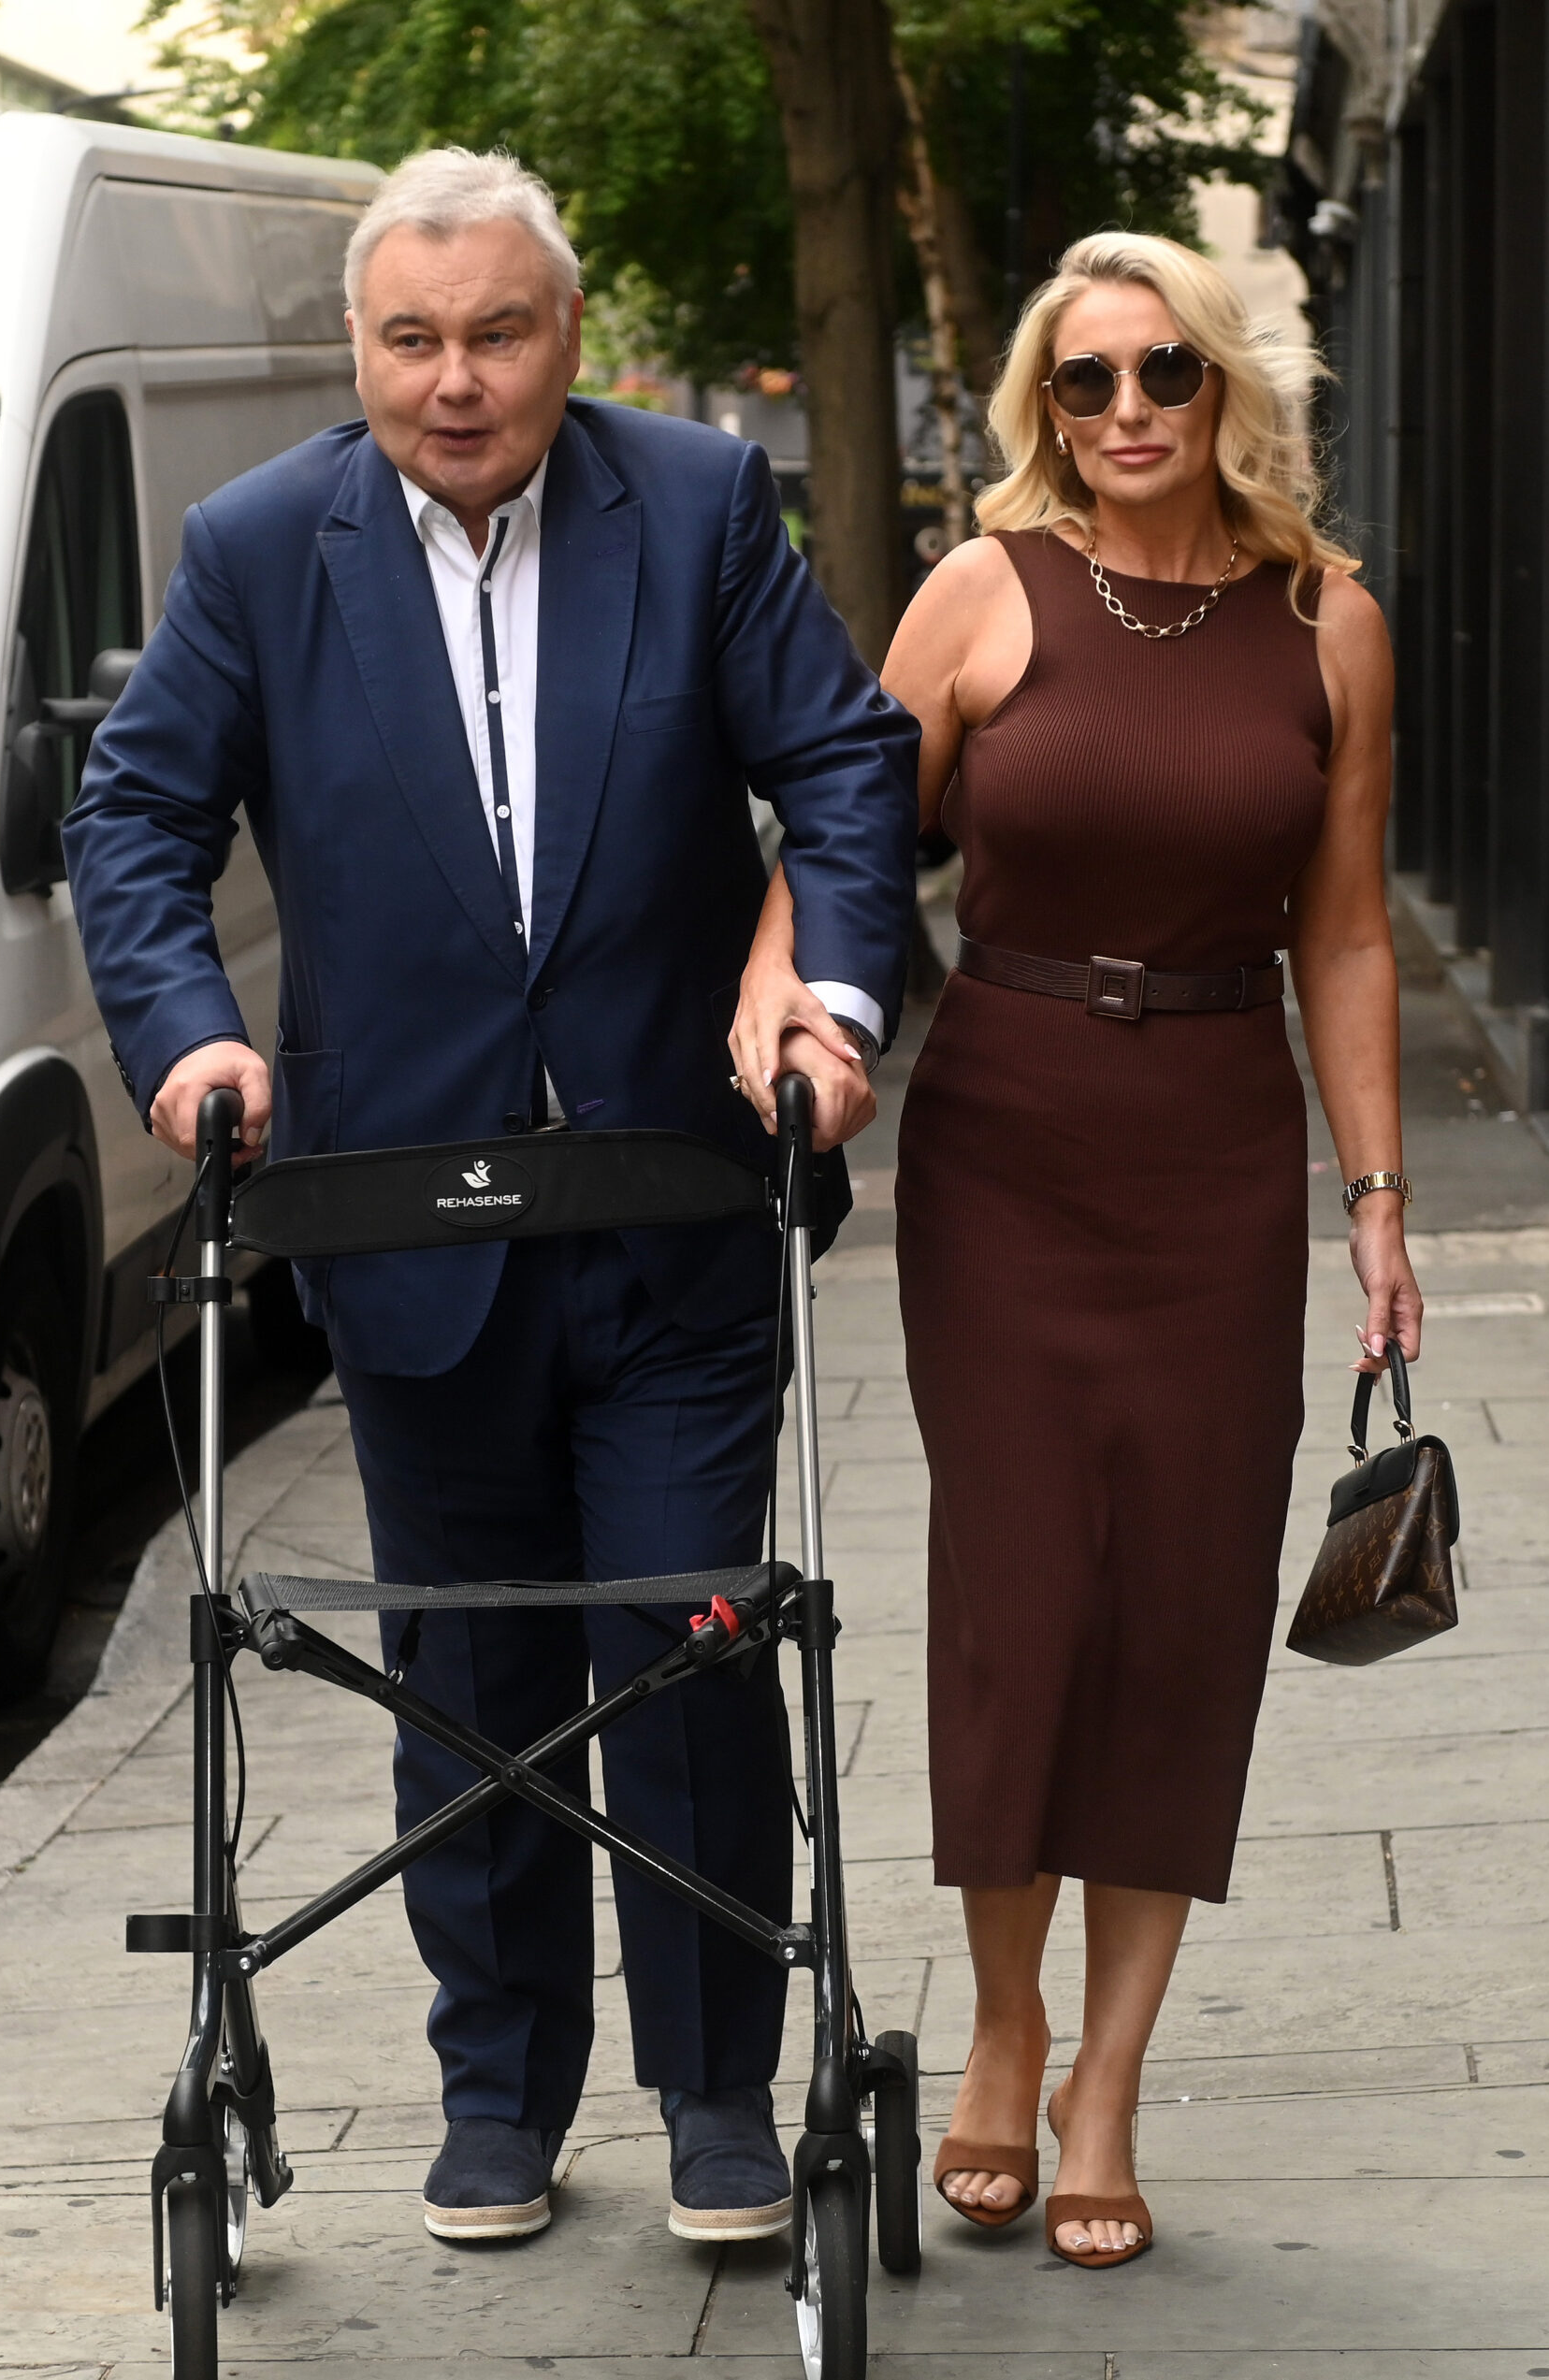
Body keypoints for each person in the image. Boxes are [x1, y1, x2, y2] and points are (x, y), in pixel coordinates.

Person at [65, 148, 919, 2248]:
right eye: (410, 339)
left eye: (496, 332)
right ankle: (497, 2098)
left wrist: (816, 992)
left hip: (673, 1206)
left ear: (565, 328)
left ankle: (718, 2091)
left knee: (686, 1644)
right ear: (358, 347)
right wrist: (188, 1036)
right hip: (402, 1228)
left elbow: (843, 759)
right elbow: (136, 810)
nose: (455, 380)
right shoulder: (261, 548)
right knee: (466, 1685)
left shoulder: (699, 505)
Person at [732, 230, 1423, 2270]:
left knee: (1185, 1609)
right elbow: (848, 842)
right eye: (1082, 383)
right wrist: (790, 1003)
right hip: (1009, 1149)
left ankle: (1108, 2075)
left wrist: (1376, 1200)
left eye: (1161, 376)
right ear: (1046, 404)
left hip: (1216, 1154)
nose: (1122, 413)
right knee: (1023, 1593)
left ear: (1224, 389)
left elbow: (1349, 930)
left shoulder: (1327, 622)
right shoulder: (983, 592)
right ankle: (1002, 2020)